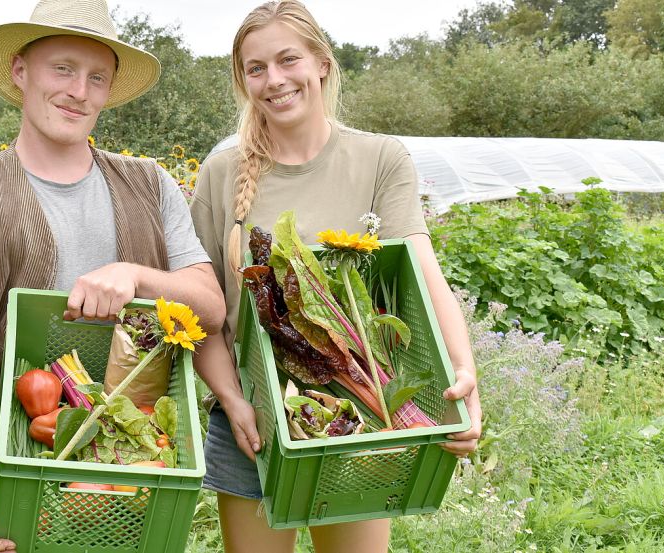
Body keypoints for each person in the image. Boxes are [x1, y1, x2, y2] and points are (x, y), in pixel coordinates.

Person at [0, 1, 225, 551]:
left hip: (136, 474)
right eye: (63, 68)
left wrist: (137, 276)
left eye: (96, 77)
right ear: (20, 71)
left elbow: (210, 307)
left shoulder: (151, 187)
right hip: (10, 470)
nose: (79, 90)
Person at [189, 2, 483, 552]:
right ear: (243, 80)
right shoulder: (222, 172)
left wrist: (464, 376)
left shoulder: (379, 158)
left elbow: (422, 268)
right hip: (249, 420)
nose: (274, 80)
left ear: (321, 62)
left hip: (357, 421)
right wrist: (231, 399)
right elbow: (200, 310)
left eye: (288, 59)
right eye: (256, 68)